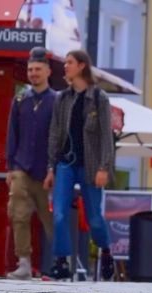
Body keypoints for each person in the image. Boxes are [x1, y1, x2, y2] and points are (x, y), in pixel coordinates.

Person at [45, 49, 116, 281]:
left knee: (95, 218)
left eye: (69, 63)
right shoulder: (62, 98)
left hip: (91, 165)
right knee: (59, 214)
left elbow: (107, 136)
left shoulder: (99, 98)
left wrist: (104, 167)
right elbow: (55, 134)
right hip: (66, 162)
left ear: (82, 66)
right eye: (65, 63)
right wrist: (50, 167)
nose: (65, 66)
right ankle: (61, 261)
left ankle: (106, 251)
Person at [5, 47, 55, 280]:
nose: (33, 73)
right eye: (30, 69)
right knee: (18, 214)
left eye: (38, 69)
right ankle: (24, 262)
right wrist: (10, 167)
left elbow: (60, 137)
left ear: (48, 71)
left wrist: (55, 167)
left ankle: (58, 262)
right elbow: (11, 134)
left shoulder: (57, 101)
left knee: (52, 218)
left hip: (47, 170)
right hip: (21, 167)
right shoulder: (20, 100)